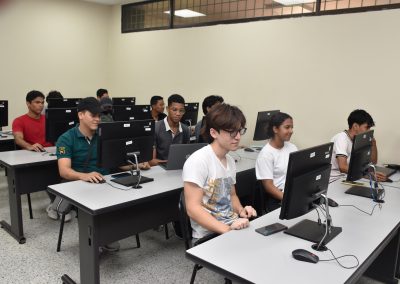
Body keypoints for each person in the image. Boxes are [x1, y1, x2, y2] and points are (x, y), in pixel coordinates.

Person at [183, 104, 257, 240]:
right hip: (208, 235)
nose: (238, 137)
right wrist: (228, 230)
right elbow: (193, 209)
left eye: (240, 131)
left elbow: (232, 196)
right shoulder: (198, 161)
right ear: (213, 133)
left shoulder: (229, 160)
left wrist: (241, 211)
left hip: (231, 225)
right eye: (232, 132)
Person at [255, 112, 297, 212]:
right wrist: (289, 200)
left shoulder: (292, 147)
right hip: (278, 198)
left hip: (293, 193)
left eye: (292, 127)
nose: (291, 131)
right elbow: (268, 186)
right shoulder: (266, 154)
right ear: (275, 129)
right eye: (287, 127)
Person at [330, 109, 386, 182]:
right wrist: (367, 175)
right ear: (355, 126)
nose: (369, 130)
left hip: (348, 177)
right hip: (335, 179)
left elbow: (373, 163)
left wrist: (373, 144)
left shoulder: (359, 139)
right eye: (367, 127)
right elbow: (343, 167)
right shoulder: (341, 138)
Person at [149, 94, 190, 166]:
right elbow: (151, 161)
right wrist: (170, 163)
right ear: (167, 109)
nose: (178, 114)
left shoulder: (185, 129)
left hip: (179, 169)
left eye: (181, 111)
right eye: (174, 110)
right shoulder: (156, 128)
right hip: (159, 169)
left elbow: (186, 156)